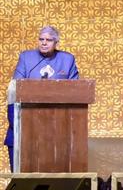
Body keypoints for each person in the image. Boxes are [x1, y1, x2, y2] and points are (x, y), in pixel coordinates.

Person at [5, 26, 80, 170]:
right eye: (41, 39)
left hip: (57, 129)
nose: (44, 43)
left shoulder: (67, 59)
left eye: (48, 40)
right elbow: (15, 88)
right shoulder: (26, 57)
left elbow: (76, 91)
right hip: (27, 125)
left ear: (56, 42)